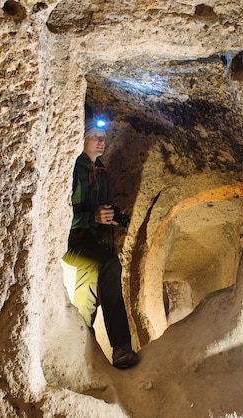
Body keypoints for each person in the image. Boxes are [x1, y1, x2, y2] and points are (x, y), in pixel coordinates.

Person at [62, 120, 139, 369]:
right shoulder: (73, 168)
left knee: (87, 299)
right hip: (73, 242)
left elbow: (101, 207)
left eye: (103, 136)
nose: (101, 140)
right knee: (110, 265)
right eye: (94, 135)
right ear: (81, 139)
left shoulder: (101, 172)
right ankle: (121, 346)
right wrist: (91, 217)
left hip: (96, 243)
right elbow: (57, 211)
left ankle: (83, 354)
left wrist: (114, 216)